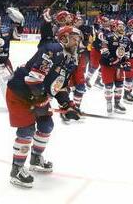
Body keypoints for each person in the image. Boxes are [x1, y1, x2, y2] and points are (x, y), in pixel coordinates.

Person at [6, 25, 82, 188]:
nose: (77, 42)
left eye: (78, 39)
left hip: (37, 94)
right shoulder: (52, 50)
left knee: (46, 125)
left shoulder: (71, 59)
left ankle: (35, 158)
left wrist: (67, 104)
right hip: (20, 92)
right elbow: (33, 80)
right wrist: (41, 100)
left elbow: (59, 85)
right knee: (26, 130)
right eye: (74, 38)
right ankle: (16, 169)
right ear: (64, 38)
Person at [100, 20, 130, 114]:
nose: (122, 28)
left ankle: (117, 103)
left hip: (119, 67)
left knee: (119, 85)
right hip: (107, 65)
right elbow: (104, 50)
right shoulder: (108, 37)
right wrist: (112, 60)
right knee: (108, 85)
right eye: (119, 26)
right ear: (114, 27)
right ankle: (109, 102)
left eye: (122, 26)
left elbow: (127, 52)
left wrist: (126, 62)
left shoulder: (126, 39)